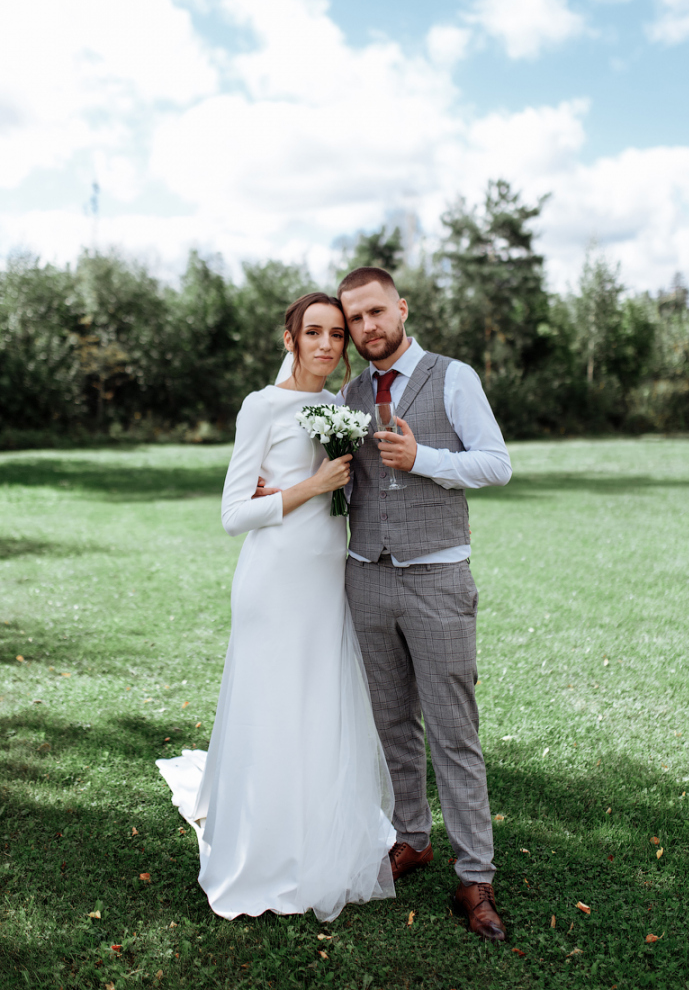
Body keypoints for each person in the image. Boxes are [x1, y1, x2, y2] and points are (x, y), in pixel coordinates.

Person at [156, 291, 395, 922]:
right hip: (272, 578)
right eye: (312, 332)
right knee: (273, 703)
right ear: (289, 339)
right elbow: (235, 514)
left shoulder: (338, 406)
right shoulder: (260, 406)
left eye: (337, 335)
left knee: (317, 701)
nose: (326, 344)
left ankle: (314, 836)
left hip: (325, 573)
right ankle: (264, 849)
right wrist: (307, 487)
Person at [337, 266, 512, 941]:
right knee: (392, 724)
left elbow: (496, 464)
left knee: (453, 733)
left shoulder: (453, 376)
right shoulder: (349, 394)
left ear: (401, 309)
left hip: (438, 579)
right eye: (356, 319)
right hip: (366, 579)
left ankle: (475, 877)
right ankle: (412, 836)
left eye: (377, 312)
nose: (367, 328)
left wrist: (424, 459)